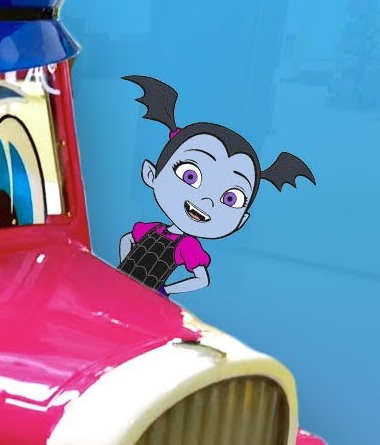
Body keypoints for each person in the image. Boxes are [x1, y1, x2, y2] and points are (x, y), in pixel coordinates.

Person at [116, 75, 315, 295]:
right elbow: (128, 239)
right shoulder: (151, 228)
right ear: (151, 174)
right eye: (190, 176)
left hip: (148, 298)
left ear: (241, 221)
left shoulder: (186, 246)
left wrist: (167, 290)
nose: (207, 200)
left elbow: (201, 279)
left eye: (231, 198)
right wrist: (122, 269)